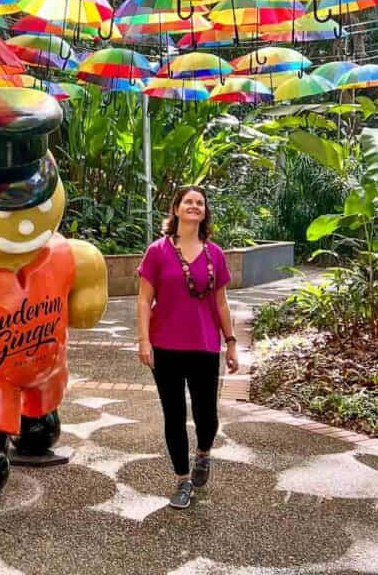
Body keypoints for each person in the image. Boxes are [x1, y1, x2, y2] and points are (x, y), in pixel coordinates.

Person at [136, 185, 239, 510]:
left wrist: (231, 343)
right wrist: (143, 340)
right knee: (174, 415)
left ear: (204, 212)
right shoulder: (157, 251)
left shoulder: (215, 254)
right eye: (188, 202)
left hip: (205, 346)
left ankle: (203, 454)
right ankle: (182, 480)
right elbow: (143, 299)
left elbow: (221, 303)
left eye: (200, 203)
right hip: (165, 347)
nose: (194, 206)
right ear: (176, 209)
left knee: (206, 415)